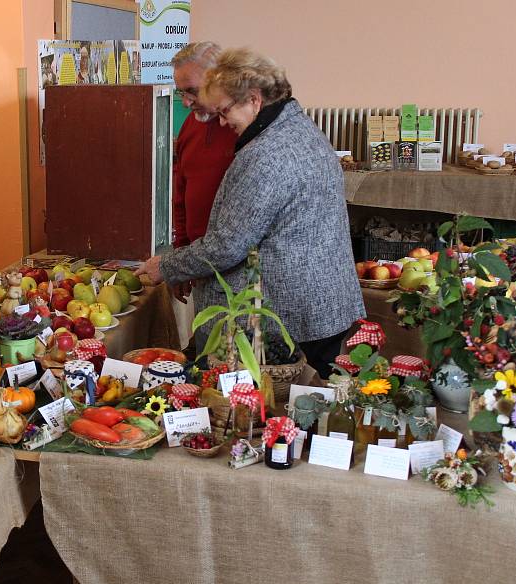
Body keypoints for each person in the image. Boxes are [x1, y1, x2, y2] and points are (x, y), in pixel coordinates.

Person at [136, 47, 365, 377]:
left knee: (285, 407)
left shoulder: (265, 155)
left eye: (225, 110)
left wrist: (168, 265)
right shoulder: (298, 127)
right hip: (321, 303)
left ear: (254, 100)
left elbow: (227, 245)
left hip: (293, 312)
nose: (222, 120)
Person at [170, 43, 238, 353]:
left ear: (218, 79)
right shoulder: (189, 127)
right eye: (180, 92)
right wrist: (181, 255)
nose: (185, 102)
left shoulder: (244, 130)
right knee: (210, 350)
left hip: (239, 270)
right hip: (200, 263)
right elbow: (180, 195)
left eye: (192, 91)